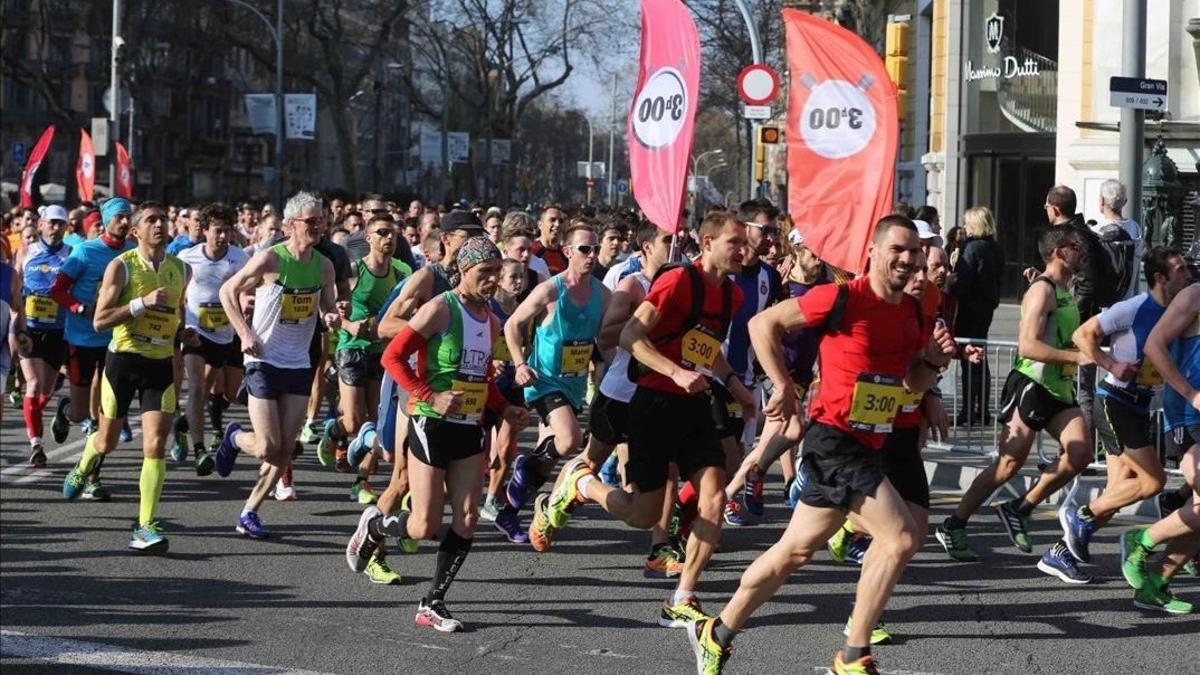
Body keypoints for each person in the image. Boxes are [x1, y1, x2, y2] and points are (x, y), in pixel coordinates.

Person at [686, 215, 954, 675]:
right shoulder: (842, 297)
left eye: (914, 252)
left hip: (870, 443)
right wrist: (783, 385)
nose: (908, 260)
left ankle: (718, 631)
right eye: (898, 249)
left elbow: (910, 380)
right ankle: (852, 655)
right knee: (903, 536)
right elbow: (761, 326)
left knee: (794, 551)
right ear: (872, 252)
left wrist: (933, 363)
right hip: (834, 440)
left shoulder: (911, 312)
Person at [534, 213, 757, 630]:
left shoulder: (731, 296)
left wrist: (737, 388)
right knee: (641, 514)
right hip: (653, 404)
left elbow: (708, 349)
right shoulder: (677, 283)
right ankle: (581, 483)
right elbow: (628, 335)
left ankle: (682, 597)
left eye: (745, 243)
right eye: (734, 242)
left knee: (713, 494)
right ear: (707, 244)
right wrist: (673, 372)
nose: (743, 251)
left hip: (693, 404)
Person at [346, 236, 529, 632]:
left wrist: (503, 407)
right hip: (430, 421)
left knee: (466, 517)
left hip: (469, 426)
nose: (493, 280)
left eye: (497, 272)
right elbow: (392, 356)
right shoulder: (440, 309)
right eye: (485, 273)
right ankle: (376, 526)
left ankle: (433, 601)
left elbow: (482, 378)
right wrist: (429, 393)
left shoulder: (492, 319)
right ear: (464, 272)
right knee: (423, 526)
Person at [938, 228, 1093, 580]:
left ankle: (1021, 507)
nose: (1082, 251)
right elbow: (1027, 347)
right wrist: (1076, 356)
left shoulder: (1064, 289)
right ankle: (953, 524)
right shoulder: (1043, 290)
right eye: (1075, 246)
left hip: (1059, 387)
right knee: (1008, 464)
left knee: (1081, 452)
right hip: (1032, 384)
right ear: (1057, 252)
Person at [554, 221, 685, 575]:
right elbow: (607, 336)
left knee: (669, 471)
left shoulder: (684, 283)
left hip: (661, 397)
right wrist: (643, 322)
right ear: (645, 248)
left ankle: (660, 550)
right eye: (669, 240)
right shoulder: (632, 285)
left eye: (681, 238)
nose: (678, 244)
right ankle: (559, 502)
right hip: (621, 394)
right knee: (590, 462)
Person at [1053, 247, 1191, 580]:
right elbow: (1081, 335)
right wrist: (1111, 363)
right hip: (1115, 401)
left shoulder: (1177, 311)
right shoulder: (1133, 308)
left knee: (1118, 490)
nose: (1188, 275)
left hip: (1140, 406)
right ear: (1160, 279)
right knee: (1154, 480)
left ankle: (1057, 553)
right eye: (1181, 271)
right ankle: (1081, 517)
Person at [62, 202, 191, 553]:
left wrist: (186, 333)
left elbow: (178, 315)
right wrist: (140, 304)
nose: (160, 225)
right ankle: (88, 459)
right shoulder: (121, 267)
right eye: (151, 220)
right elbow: (100, 321)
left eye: (163, 219)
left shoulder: (181, 269)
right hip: (123, 361)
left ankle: (145, 525)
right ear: (135, 231)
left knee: (155, 445)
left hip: (160, 364)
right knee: (108, 442)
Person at [213, 191, 341, 539]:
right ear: (290, 225)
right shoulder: (270, 259)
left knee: (286, 448)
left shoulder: (324, 265)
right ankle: (235, 437)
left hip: (299, 363)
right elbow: (228, 291)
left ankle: (249, 512)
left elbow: (327, 307)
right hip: (263, 359)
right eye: (310, 221)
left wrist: (331, 317)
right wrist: (243, 332)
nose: (318, 226)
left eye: (321, 220)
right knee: (269, 446)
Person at [499, 224, 610, 541]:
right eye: (584, 249)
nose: (591, 255)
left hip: (574, 384)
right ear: (568, 252)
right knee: (571, 440)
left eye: (594, 249)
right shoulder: (551, 290)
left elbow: (616, 329)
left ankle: (508, 510)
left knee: (551, 456)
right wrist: (520, 364)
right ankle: (524, 473)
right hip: (544, 379)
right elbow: (512, 325)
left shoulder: (602, 294)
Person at [49, 197, 138, 500]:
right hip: (82, 339)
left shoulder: (132, 253)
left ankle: (92, 477)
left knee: (104, 412)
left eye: (128, 217)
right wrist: (79, 307)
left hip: (115, 341)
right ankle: (64, 410)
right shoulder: (84, 252)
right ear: (107, 220)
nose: (125, 223)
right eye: (119, 218)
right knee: (78, 413)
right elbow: (57, 290)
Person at [1121, 283, 1200, 613]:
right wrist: (1191, 394)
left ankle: (1155, 584)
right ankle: (1142, 540)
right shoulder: (1195, 294)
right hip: (1188, 414)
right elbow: (1154, 345)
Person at [332, 214, 411, 506]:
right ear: (368, 239)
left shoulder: (402, 271)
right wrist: (350, 324)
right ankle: (332, 430)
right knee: (353, 422)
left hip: (382, 350)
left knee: (375, 424)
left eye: (393, 234)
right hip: (352, 347)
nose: (389, 239)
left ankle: (360, 481)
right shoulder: (354, 271)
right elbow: (332, 311)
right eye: (382, 233)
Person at [175, 203, 249, 476]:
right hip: (196, 332)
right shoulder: (187, 257)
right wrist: (180, 327)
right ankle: (200, 450)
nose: (223, 236)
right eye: (218, 231)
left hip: (225, 335)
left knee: (222, 391)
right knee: (196, 388)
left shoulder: (240, 258)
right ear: (205, 231)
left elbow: (248, 290)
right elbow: (177, 294)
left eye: (227, 231)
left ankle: (183, 424)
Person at [13, 205, 71, 467]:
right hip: (30, 330)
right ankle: (36, 444)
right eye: (51, 223)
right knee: (33, 384)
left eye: (60, 224)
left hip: (57, 332)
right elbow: (16, 290)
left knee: (46, 390)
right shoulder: (26, 252)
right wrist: (16, 325)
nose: (55, 228)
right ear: (41, 225)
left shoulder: (71, 255)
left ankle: (60, 410)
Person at [949, 206, 1002, 425]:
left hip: (969, 309)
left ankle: (968, 410)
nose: (965, 227)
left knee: (969, 358)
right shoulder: (996, 248)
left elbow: (964, 283)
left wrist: (952, 282)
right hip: (986, 308)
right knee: (981, 359)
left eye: (968, 223)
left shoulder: (971, 248)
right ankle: (982, 410)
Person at [530, 206, 567, 275]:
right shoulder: (530, 251)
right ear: (540, 224)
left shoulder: (567, 254)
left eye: (561, 221)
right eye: (552, 220)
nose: (557, 224)